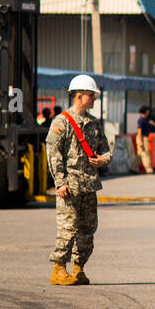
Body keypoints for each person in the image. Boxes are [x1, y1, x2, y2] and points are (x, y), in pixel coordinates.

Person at [46, 75, 111, 286]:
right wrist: (60, 182)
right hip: (70, 186)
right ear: (79, 96)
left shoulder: (93, 123)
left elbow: (105, 149)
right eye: (91, 96)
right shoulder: (61, 121)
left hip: (89, 185)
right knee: (68, 227)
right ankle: (58, 269)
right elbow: (52, 152)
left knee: (88, 228)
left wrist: (103, 160)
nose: (94, 100)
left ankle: (78, 268)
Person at [136, 105, 155, 174]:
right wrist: (140, 140)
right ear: (145, 111)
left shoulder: (146, 119)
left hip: (143, 137)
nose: (149, 112)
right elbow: (139, 130)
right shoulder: (141, 120)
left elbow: (150, 122)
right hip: (142, 137)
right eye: (148, 110)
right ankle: (149, 169)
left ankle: (133, 167)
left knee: (139, 154)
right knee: (145, 153)